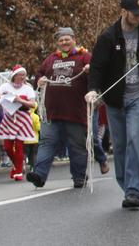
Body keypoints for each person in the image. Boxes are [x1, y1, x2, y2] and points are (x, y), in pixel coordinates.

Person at [86, 0, 139, 210]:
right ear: (123, 12)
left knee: (134, 138)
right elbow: (97, 67)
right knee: (120, 145)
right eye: (135, 13)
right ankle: (125, 183)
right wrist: (93, 90)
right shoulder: (108, 37)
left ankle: (134, 191)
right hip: (115, 99)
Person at [28, 27, 92, 190]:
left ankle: (79, 177)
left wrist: (89, 71)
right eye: (61, 40)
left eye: (67, 39)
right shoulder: (51, 59)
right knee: (46, 143)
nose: (64, 42)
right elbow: (39, 75)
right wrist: (40, 80)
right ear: (57, 43)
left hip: (75, 112)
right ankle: (39, 175)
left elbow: (95, 76)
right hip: (51, 113)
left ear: (74, 40)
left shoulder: (84, 56)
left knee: (76, 146)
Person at [0, 65, 37, 181]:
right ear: (14, 76)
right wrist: (4, 95)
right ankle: (16, 164)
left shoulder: (27, 88)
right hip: (9, 118)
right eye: (20, 75)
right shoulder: (5, 86)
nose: (22, 77)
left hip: (22, 118)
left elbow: (32, 104)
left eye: (24, 75)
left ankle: (19, 172)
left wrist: (20, 100)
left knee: (19, 145)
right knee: (7, 147)